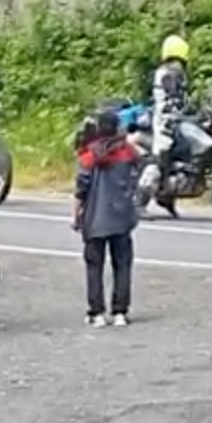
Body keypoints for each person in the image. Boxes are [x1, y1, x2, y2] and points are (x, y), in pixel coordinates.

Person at [72, 108, 140, 328]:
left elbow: (80, 190)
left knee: (94, 266)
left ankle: (97, 313)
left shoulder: (89, 156)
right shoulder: (127, 151)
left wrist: (76, 216)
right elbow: (139, 168)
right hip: (121, 218)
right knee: (122, 265)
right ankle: (120, 312)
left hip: (95, 219)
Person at [137, 34, 192, 218]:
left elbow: (184, 100)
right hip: (164, 124)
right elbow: (172, 99)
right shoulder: (166, 73)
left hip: (174, 122)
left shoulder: (176, 73)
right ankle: (139, 202)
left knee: (181, 158)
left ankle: (167, 196)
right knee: (159, 161)